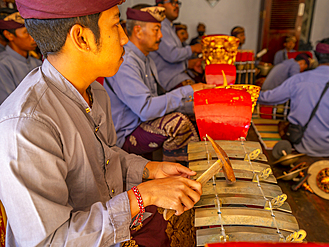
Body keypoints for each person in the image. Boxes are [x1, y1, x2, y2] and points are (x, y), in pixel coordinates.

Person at [0, 1, 202, 246]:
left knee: (195, 219)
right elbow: (50, 241)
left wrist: (150, 170)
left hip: (110, 227)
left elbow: (104, 158)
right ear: (82, 38)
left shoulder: (94, 91)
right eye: (116, 25)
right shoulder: (27, 125)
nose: (124, 38)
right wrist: (142, 195)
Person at [104, 6, 213, 164]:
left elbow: (159, 99)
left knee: (196, 112)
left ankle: (204, 165)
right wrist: (189, 90)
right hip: (126, 134)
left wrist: (196, 106)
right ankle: (180, 178)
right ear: (138, 31)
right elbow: (147, 110)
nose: (161, 36)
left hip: (143, 123)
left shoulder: (147, 59)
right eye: (156, 30)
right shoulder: (126, 62)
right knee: (177, 123)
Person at [258, 37, 329, 157]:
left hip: (300, 143)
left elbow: (267, 98)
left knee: (283, 124)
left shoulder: (298, 79)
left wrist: (247, 92)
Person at [149, 0, 203, 91]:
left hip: (177, 74)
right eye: (172, 2)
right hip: (169, 80)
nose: (177, 6)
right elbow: (172, 55)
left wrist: (190, 63)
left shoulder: (169, 26)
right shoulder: (160, 26)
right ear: (160, 5)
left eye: (178, 3)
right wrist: (193, 48)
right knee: (199, 97)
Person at [0, 12, 41, 104]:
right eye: (26, 33)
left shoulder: (37, 63)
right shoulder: (3, 65)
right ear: (9, 35)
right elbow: (9, 104)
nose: (33, 38)